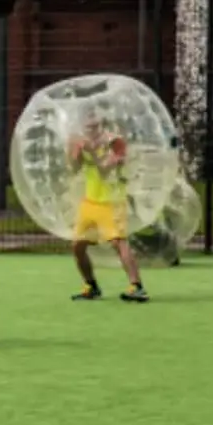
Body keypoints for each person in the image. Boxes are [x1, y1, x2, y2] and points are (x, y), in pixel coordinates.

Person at [67, 110, 149, 302]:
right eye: (87, 126)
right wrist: (73, 151)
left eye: (94, 125)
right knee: (77, 246)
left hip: (112, 201)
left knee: (118, 242)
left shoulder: (115, 143)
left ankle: (137, 286)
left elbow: (105, 170)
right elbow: (74, 168)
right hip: (90, 201)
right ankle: (91, 285)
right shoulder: (84, 143)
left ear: (102, 123)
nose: (90, 129)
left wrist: (93, 152)